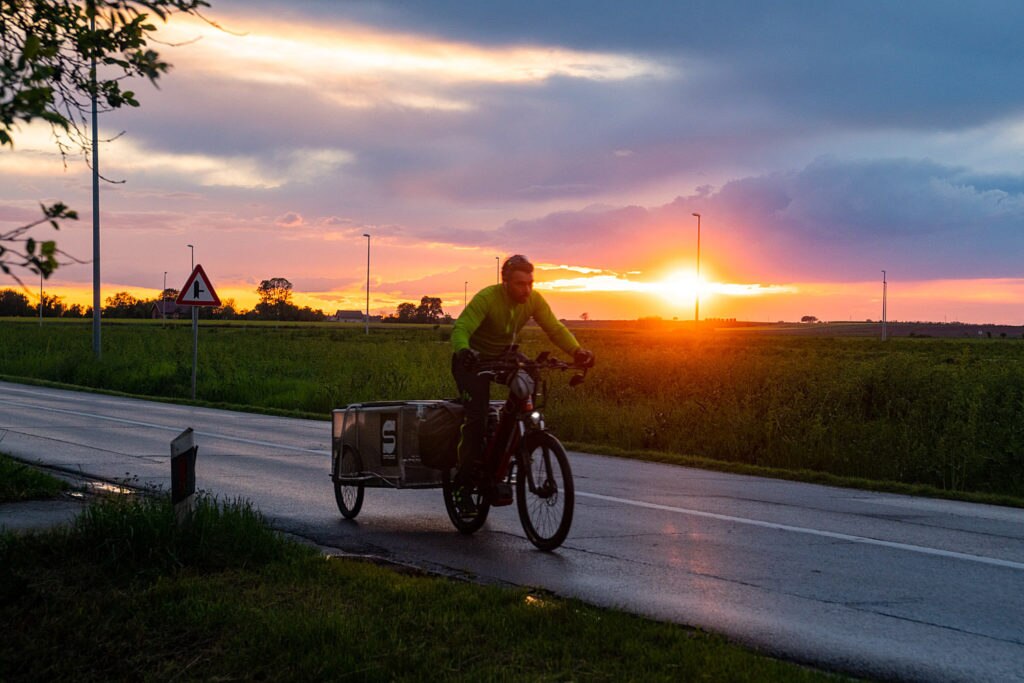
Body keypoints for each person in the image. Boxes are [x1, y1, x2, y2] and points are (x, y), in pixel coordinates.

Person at [451, 254, 594, 506]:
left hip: (505, 357)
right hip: (472, 362)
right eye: (520, 284)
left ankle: (509, 435)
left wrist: (576, 351)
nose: (526, 289)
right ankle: (463, 483)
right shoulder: (487, 298)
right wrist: (464, 351)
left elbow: (554, 328)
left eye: (530, 283)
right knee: (477, 417)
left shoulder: (533, 300)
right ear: (505, 282)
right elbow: (461, 328)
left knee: (530, 377)